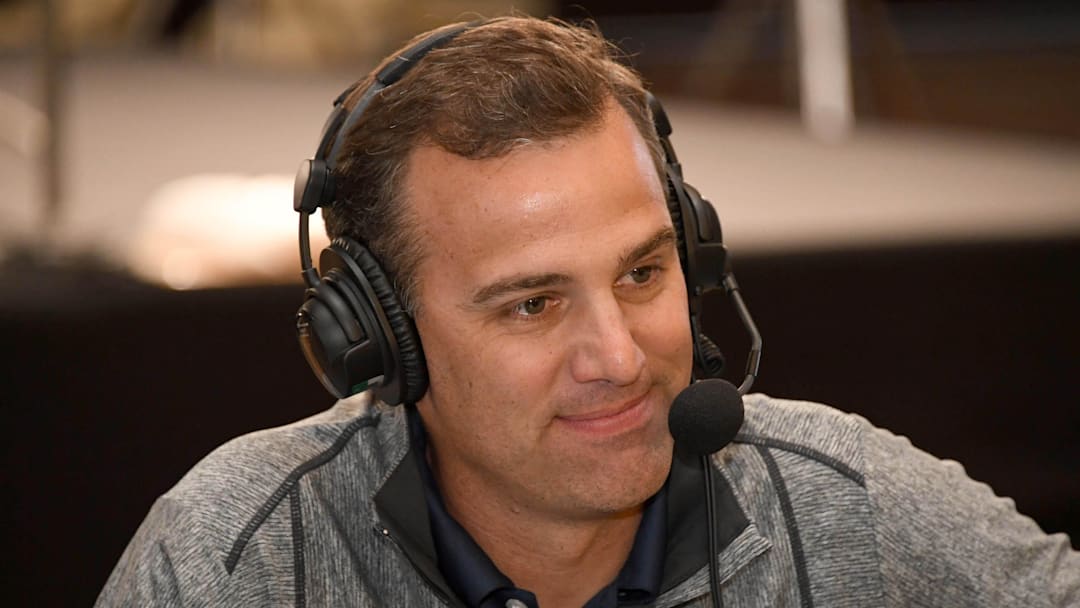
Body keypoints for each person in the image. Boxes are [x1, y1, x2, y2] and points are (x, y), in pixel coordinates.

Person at [97, 15, 1078, 608]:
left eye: (644, 273)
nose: (619, 355)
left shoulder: (847, 508)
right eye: (532, 303)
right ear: (381, 339)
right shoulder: (233, 555)